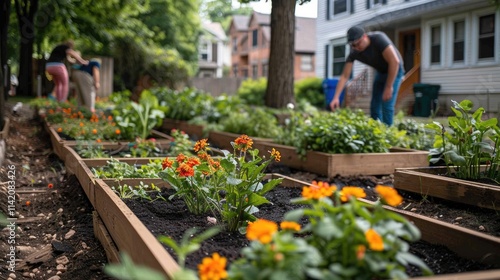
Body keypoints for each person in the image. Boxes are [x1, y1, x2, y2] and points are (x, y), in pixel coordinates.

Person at [329, 26, 404, 126]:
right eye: (353, 45)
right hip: (381, 72)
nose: (356, 47)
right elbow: (344, 76)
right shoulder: (354, 52)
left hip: (395, 70)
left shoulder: (378, 39)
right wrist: (336, 97)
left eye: (358, 43)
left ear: (364, 36)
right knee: (374, 105)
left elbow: (394, 61)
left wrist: (389, 87)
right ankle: (376, 131)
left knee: (386, 104)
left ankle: (388, 135)